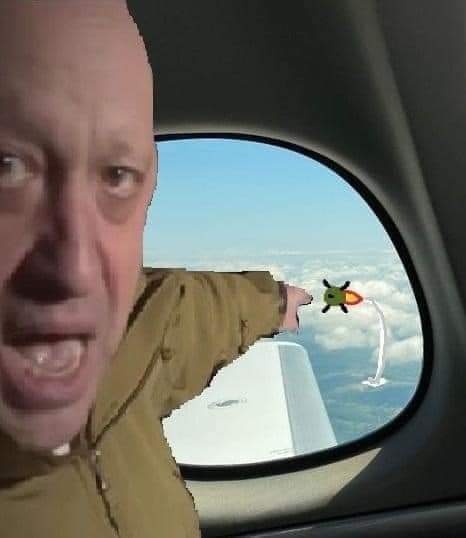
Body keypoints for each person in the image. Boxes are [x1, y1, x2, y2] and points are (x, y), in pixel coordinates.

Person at [0, 1, 313, 536]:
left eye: (117, 175)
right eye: (5, 167)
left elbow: (187, 315)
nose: (77, 270)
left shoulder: (128, 344)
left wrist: (274, 302)